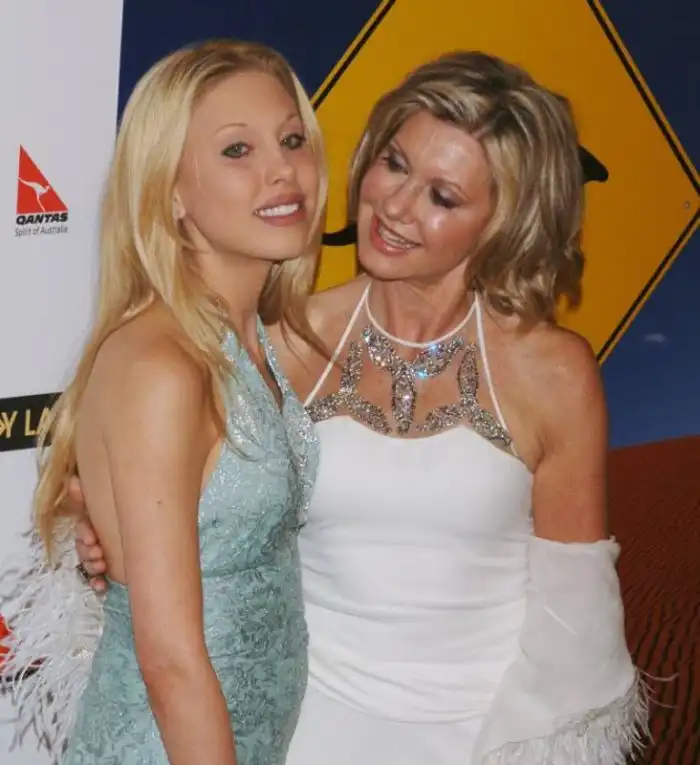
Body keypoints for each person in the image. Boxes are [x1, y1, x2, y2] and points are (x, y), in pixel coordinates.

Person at [2, 52, 647, 764]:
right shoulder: (283, 340)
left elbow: (574, 611)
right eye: (394, 164)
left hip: (479, 736)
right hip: (300, 730)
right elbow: (190, 520)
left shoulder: (552, 374)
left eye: (442, 196)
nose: (396, 206)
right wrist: (103, 537)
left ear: (504, 220)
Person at [1, 39, 326, 765]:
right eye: (237, 150)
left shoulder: (254, 340)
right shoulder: (161, 364)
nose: (283, 169)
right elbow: (171, 662)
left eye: (292, 139)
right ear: (171, 192)